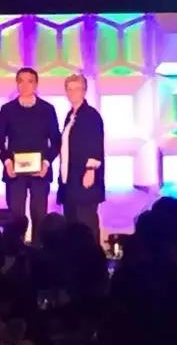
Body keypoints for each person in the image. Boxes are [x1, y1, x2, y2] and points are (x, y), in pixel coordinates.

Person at [0, 67, 61, 246]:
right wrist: (7, 162)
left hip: (40, 171)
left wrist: (46, 163)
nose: (25, 85)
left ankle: (39, 254)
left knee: (40, 215)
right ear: (16, 84)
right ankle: (15, 254)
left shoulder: (47, 109)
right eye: (21, 81)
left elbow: (56, 141)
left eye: (29, 81)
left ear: (36, 84)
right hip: (14, 172)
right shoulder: (7, 110)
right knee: (16, 218)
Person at [57, 74, 104, 242]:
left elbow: (95, 143)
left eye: (76, 89)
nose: (72, 93)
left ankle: (93, 255)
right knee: (72, 223)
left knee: (86, 223)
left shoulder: (91, 115)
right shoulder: (70, 116)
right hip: (69, 178)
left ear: (84, 91)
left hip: (84, 177)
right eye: (69, 89)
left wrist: (90, 169)